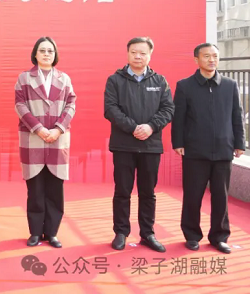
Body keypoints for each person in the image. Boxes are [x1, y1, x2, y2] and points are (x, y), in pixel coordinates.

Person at [172, 43, 245, 254]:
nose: (211, 60)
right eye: (206, 56)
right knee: (193, 195)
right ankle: (192, 235)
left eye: (215, 56)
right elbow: (179, 118)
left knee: (221, 196)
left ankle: (219, 237)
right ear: (196, 60)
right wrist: (178, 142)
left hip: (223, 149)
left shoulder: (230, 85)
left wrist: (239, 143)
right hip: (195, 151)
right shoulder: (185, 86)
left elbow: (237, 115)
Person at [104, 37, 174, 253]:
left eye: (143, 53)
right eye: (134, 52)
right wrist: (133, 127)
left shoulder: (159, 81)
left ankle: (147, 233)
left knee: (148, 192)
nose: (138, 56)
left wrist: (151, 127)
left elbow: (168, 109)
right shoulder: (115, 80)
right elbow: (110, 109)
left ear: (149, 55)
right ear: (127, 53)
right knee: (122, 191)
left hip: (150, 145)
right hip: (123, 144)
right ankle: (121, 232)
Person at [15, 37, 76, 249]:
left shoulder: (64, 78)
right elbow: (20, 105)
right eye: (42, 50)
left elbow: (71, 105)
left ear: (55, 54)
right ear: (35, 54)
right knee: (35, 189)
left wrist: (58, 129)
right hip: (33, 138)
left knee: (55, 189)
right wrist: (39, 128)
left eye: (50, 51)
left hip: (57, 139)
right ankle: (34, 232)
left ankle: (52, 233)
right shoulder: (24, 78)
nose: (46, 54)